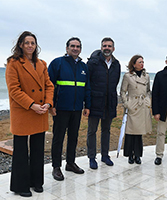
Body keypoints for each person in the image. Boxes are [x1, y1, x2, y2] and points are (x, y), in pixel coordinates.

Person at [5, 31, 54, 197]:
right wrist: (32, 105)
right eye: (27, 43)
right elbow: (14, 90)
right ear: (20, 44)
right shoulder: (13, 63)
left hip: (40, 111)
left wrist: (48, 103)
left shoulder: (42, 63)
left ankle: (36, 182)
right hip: (24, 111)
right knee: (20, 151)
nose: (30, 46)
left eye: (32, 43)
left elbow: (49, 85)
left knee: (38, 149)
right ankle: (20, 186)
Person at [48, 37, 91, 181]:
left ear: (80, 49)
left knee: (73, 137)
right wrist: (51, 105)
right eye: (72, 46)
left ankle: (70, 163)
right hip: (60, 108)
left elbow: (87, 88)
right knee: (58, 138)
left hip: (77, 109)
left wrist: (87, 106)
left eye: (78, 46)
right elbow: (50, 86)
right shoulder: (57, 63)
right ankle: (56, 167)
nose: (75, 48)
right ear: (67, 48)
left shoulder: (84, 67)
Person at [87, 37, 121, 168]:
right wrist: (87, 104)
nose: (107, 48)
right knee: (92, 131)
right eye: (104, 46)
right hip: (95, 102)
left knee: (106, 130)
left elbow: (115, 83)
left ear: (113, 48)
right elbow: (88, 83)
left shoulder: (116, 64)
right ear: (101, 47)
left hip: (109, 102)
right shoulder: (93, 62)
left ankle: (105, 155)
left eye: (109, 46)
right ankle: (91, 157)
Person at [120, 55, 152, 164]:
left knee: (139, 133)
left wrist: (148, 101)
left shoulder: (146, 76)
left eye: (143, 62)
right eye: (140, 62)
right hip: (133, 105)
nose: (142, 64)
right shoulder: (127, 76)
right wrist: (127, 104)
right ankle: (130, 154)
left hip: (143, 105)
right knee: (130, 132)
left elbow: (148, 91)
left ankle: (138, 155)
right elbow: (123, 91)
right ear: (133, 64)